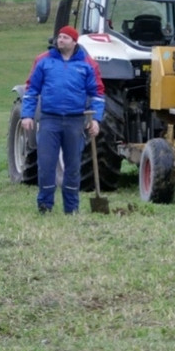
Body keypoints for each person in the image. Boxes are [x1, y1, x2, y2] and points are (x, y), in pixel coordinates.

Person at [21, 25, 105, 214]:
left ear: (74, 42)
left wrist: (96, 119)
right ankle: (45, 205)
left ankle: (71, 207)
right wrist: (27, 115)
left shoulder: (88, 64)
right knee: (46, 165)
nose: (60, 40)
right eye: (59, 37)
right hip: (50, 120)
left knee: (73, 166)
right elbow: (31, 89)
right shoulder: (43, 61)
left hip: (75, 121)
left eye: (65, 37)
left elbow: (97, 94)